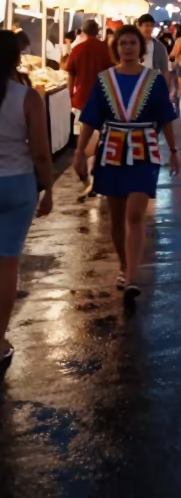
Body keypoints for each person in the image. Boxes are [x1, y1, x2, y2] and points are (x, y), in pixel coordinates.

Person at [73, 25, 178, 300]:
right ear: (116, 48)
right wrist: (79, 151)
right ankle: (123, 264)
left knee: (135, 214)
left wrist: (175, 150)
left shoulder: (154, 80)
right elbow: (90, 118)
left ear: (140, 48)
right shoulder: (104, 79)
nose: (128, 48)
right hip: (112, 151)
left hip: (144, 150)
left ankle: (132, 276)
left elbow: (165, 116)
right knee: (117, 218)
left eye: (133, 43)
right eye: (123, 44)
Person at [0, 31, 53, 379]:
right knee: (6, 265)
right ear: (16, 59)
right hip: (17, 185)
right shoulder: (27, 97)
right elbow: (39, 150)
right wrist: (48, 187)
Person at [66, 19, 114, 118]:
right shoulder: (106, 49)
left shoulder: (77, 49)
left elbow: (70, 74)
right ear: (97, 32)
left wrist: (69, 96)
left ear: (83, 31)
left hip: (81, 98)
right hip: (102, 97)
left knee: (82, 130)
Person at [136, 14, 170, 80]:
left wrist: (165, 87)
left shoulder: (159, 47)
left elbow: (164, 70)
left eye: (152, 26)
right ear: (139, 26)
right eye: (147, 25)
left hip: (151, 82)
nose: (150, 28)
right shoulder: (130, 44)